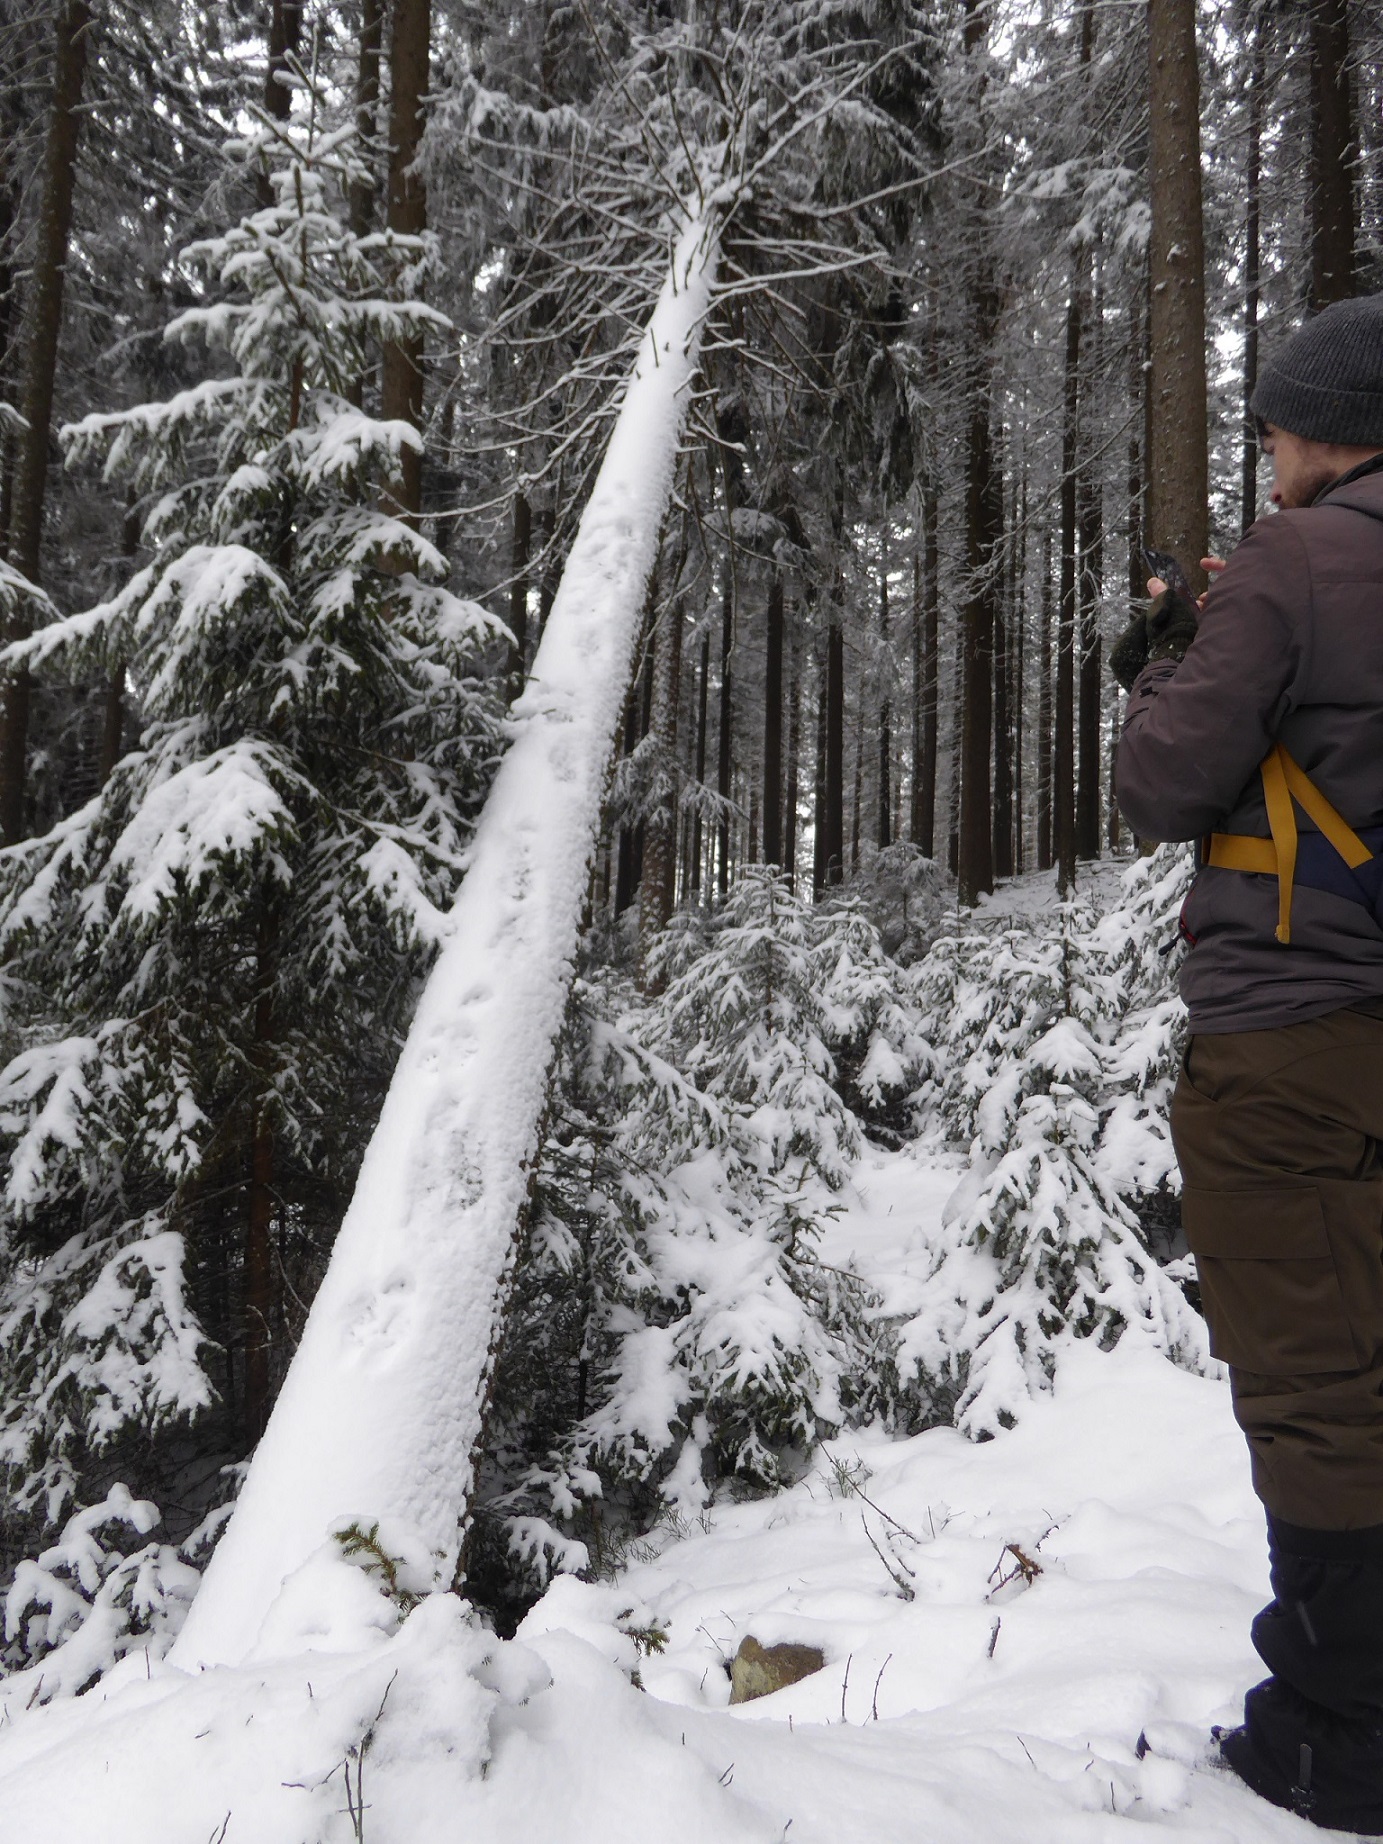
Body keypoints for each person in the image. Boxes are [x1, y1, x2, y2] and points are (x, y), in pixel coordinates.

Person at [1113, 292, 1383, 1834]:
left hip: (1295, 1041)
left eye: (1275, 430)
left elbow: (1164, 780)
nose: (1269, 456)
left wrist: (1181, 645)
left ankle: (1340, 1739)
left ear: (1325, 433)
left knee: (1320, 1382)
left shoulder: (1290, 562)